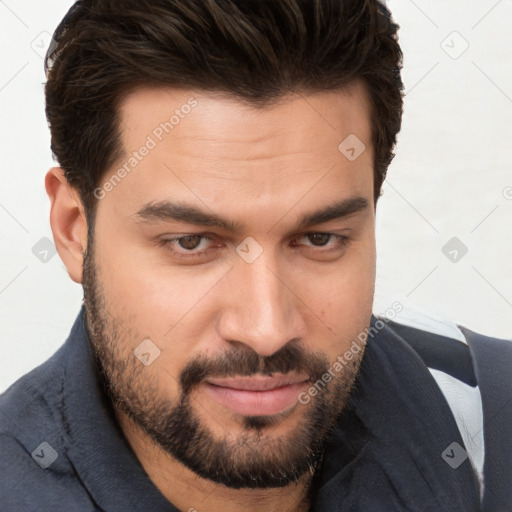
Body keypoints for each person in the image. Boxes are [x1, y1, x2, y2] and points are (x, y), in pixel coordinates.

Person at [0, 1, 510, 511]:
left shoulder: (494, 424)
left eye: (319, 238)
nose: (266, 328)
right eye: (192, 242)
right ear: (73, 231)